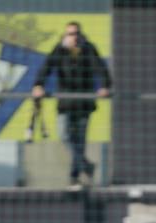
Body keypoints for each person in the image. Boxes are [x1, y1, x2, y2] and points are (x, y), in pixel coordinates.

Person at [31, 22, 112, 187]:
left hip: (84, 103)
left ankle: (74, 177)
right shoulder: (59, 49)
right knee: (64, 135)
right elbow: (46, 67)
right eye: (69, 34)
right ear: (65, 35)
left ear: (80, 35)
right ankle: (86, 165)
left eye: (75, 34)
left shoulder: (88, 48)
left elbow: (101, 68)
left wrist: (105, 86)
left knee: (80, 140)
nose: (73, 37)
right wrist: (38, 85)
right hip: (66, 103)